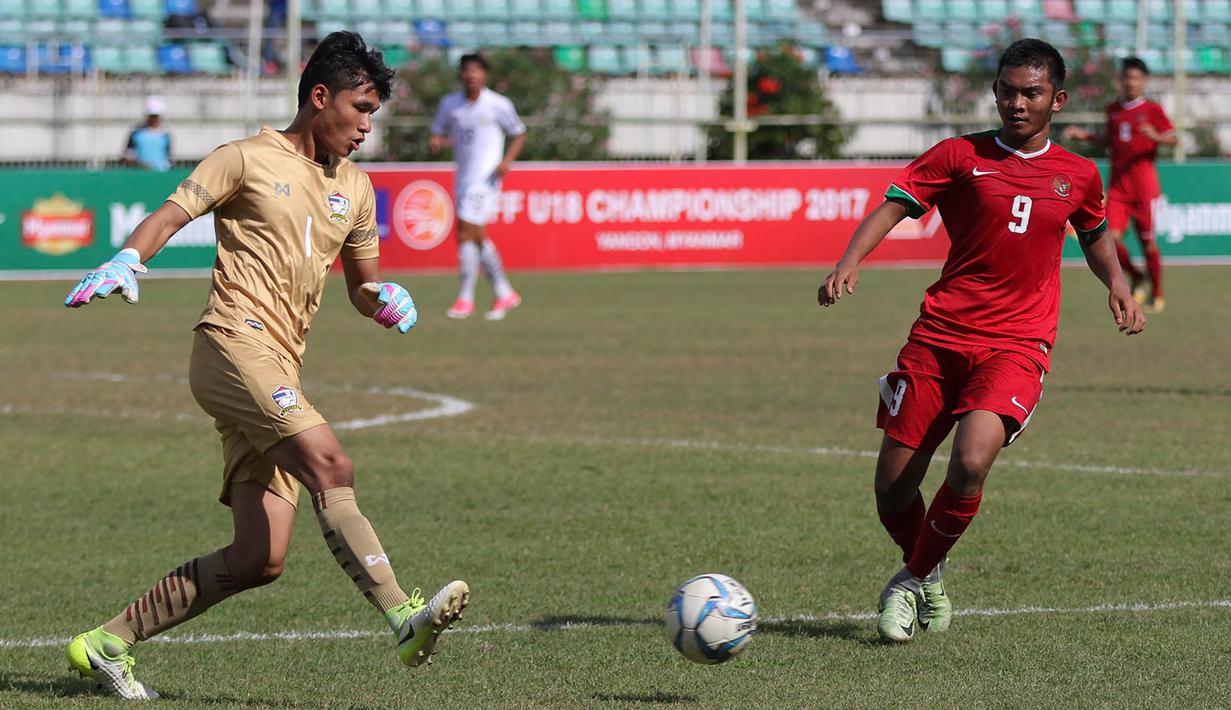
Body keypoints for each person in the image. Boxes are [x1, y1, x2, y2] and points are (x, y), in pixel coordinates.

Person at [63, 32, 469, 700]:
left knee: (261, 557)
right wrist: (128, 259)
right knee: (332, 465)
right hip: (229, 345)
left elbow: (362, 286)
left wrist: (384, 300)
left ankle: (105, 645)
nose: (368, 125)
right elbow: (171, 213)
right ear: (319, 97)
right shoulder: (245, 158)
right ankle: (403, 616)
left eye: (375, 112)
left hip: (278, 365)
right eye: (360, 108)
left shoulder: (358, 190)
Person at [818, 39, 1145, 644]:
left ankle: (907, 580)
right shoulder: (959, 155)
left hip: (1018, 343)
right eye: (1007, 91)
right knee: (892, 487)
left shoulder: (1077, 174)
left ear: (1058, 99)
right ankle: (931, 569)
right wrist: (850, 260)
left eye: (1032, 93)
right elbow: (894, 206)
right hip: (940, 335)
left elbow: (1095, 234)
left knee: (971, 460)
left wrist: (1118, 285)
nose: (1017, 103)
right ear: (994, 92)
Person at [1064, 57, 1176, 313]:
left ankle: (1157, 293)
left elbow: (1175, 139)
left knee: (1148, 244)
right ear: (1120, 80)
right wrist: (1086, 136)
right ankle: (1137, 276)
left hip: (1146, 189)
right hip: (1118, 188)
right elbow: (1110, 139)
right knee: (1110, 239)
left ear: (1144, 81)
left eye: (1136, 78)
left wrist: (1157, 136)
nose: (1131, 82)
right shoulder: (1113, 109)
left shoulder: (1152, 109)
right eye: (1127, 77)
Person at [430, 52, 527, 321]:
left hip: (485, 180)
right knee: (473, 235)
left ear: (485, 75)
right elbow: (438, 130)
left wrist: (507, 161)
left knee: (466, 231)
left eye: (477, 70)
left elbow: (519, 132)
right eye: (467, 70)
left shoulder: (497, 104)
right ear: (461, 74)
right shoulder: (450, 104)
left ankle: (466, 298)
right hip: (463, 178)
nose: (472, 74)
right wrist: (437, 140)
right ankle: (503, 292)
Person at [122, 96, 172, 172]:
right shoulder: (136, 134)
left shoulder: (165, 136)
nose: (154, 119)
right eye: (152, 116)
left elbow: (169, 158)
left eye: (156, 116)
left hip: (160, 175)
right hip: (140, 175)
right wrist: (139, 164)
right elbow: (127, 155)